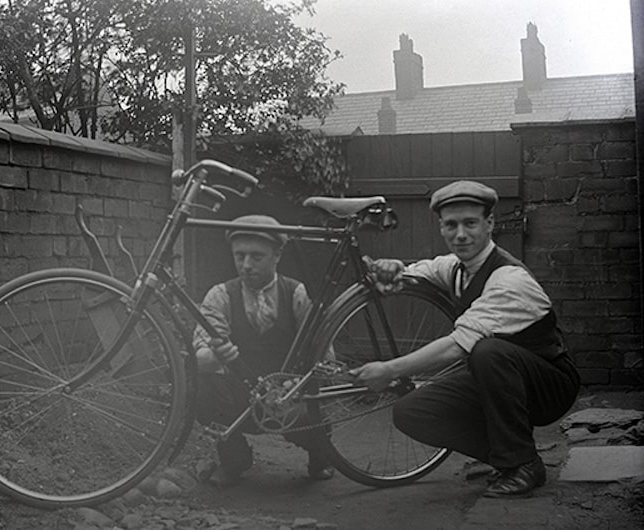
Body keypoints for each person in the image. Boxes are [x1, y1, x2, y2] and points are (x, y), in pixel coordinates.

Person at [352, 180, 580, 497]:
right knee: (411, 412)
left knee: (487, 352)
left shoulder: (509, 280)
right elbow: (420, 271)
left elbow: (456, 345)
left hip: (549, 384)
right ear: (442, 228)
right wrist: (393, 269)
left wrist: (389, 370)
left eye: (470, 223)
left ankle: (522, 464)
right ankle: (511, 458)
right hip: (500, 379)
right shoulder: (457, 269)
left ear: (489, 224)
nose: (461, 234)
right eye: (451, 225)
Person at [193, 214, 335, 487]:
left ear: (277, 254)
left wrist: (300, 385)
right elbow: (199, 359)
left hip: (290, 397)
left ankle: (321, 455)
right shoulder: (219, 296)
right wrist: (215, 355)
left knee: (313, 408)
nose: (246, 265)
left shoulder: (298, 294)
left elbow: (326, 358)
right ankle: (234, 459)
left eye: (256, 257)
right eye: (239, 255)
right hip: (241, 397)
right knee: (201, 386)